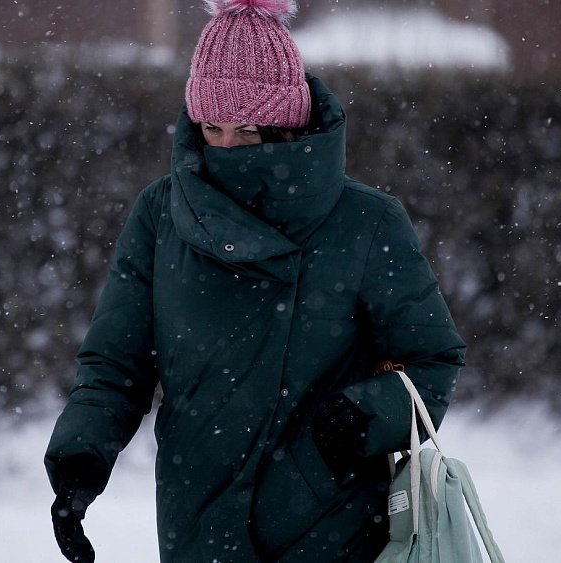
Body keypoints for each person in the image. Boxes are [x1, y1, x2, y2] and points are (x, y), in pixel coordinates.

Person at [44, 1, 465, 561]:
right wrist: (80, 460)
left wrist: (358, 420)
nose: (226, 148)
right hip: (197, 525)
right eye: (212, 128)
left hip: (331, 527)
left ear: (289, 124)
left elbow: (432, 360)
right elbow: (117, 364)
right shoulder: (160, 215)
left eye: (247, 130)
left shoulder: (366, 223)